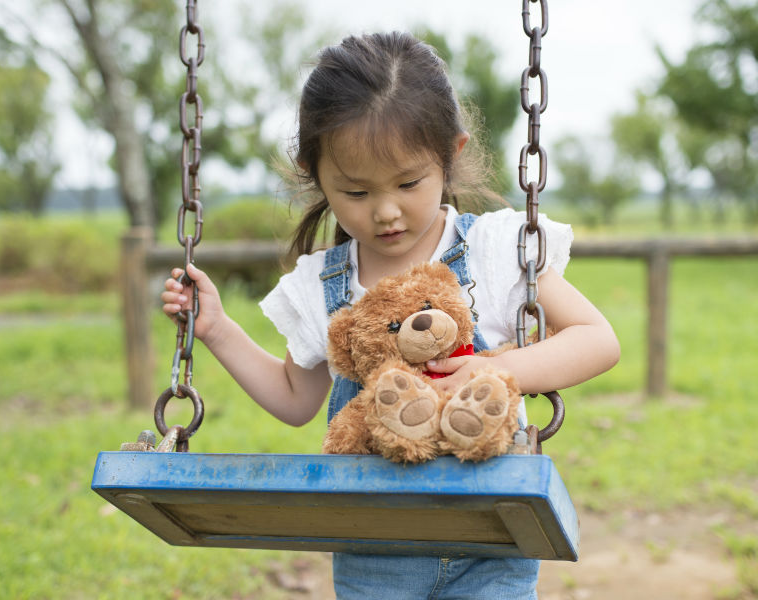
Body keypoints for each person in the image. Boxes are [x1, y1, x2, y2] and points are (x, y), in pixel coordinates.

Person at [161, 31, 620, 600]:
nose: (385, 211)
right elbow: (294, 400)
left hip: (493, 536)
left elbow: (598, 339)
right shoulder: (321, 282)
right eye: (354, 191)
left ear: (450, 153)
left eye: (408, 183)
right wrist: (217, 330)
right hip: (371, 542)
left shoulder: (496, 249)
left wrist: (502, 373)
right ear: (315, 172)